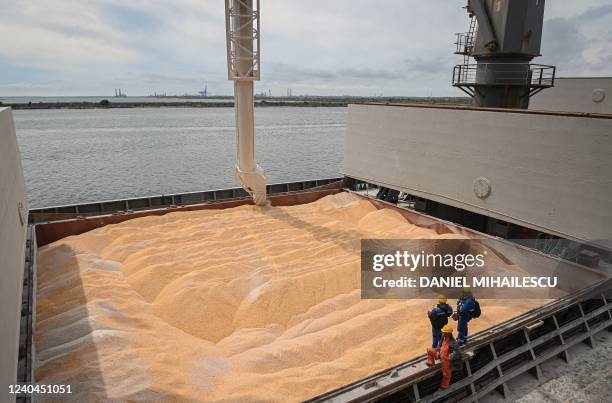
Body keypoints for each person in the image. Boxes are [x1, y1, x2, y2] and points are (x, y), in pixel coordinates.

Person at [426, 324, 457, 390]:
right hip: (440, 355)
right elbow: (439, 346)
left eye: (444, 332)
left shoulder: (453, 343)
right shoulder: (443, 338)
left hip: (446, 361)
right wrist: (437, 351)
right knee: (429, 350)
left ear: (448, 333)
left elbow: (457, 352)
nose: (442, 333)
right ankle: (430, 362)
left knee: (447, 375)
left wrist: (450, 357)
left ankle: (444, 386)